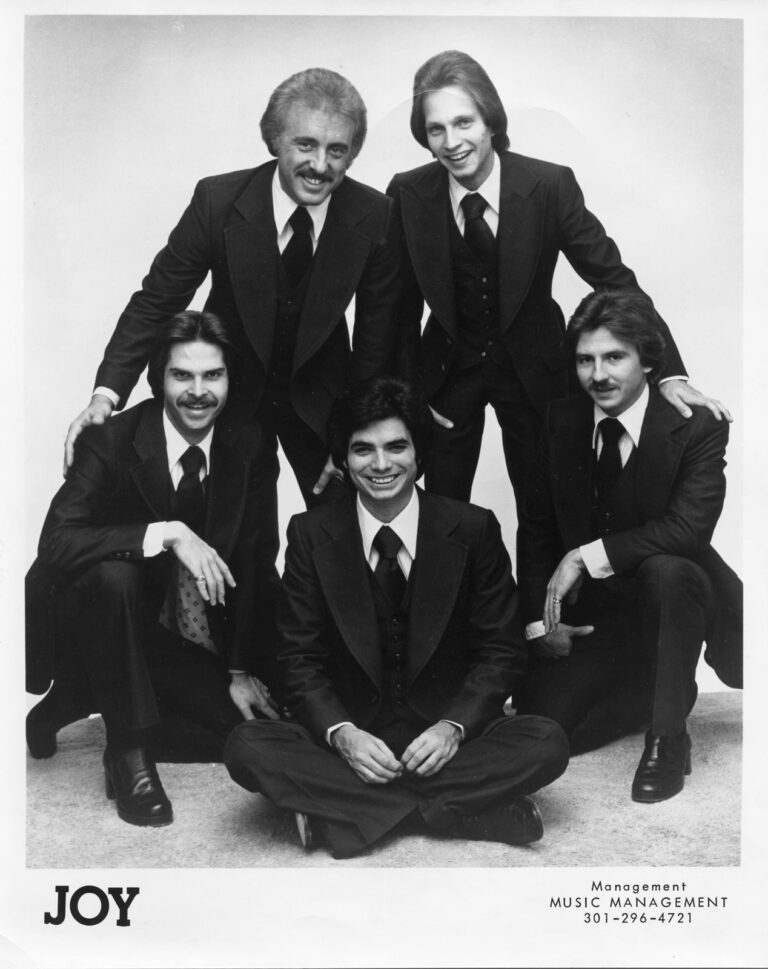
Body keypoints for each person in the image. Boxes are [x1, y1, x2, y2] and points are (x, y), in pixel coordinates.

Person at [224, 376, 568, 858]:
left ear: (419, 453)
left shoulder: (473, 528)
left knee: (546, 741)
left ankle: (346, 818)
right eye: (362, 449)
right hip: (353, 739)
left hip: (445, 738)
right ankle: (459, 812)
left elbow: (501, 652)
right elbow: (298, 658)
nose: (381, 464)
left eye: (396, 447)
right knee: (246, 746)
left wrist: (453, 727)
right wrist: (342, 735)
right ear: (343, 459)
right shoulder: (309, 533)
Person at [387, 50, 730, 520]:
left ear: (490, 120)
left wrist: (669, 372)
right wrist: (406, 395)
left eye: (464, 122)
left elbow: (615, 281)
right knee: (441, 517)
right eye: (436, 129)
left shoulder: (549, 185)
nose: (452, 142)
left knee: (545, 513)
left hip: (536, 374)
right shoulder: (407, 192)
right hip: (445, 379)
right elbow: (398, 309)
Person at [64, 67, 401, 506]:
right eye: (305, 145)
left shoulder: (375, 215)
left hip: (325, 405)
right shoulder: (217, 201)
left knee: (342, 527)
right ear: (275, 140)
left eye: (336, 150)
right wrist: (106, 395)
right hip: (228, 397)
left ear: (352, 154)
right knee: (227, 533)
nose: (320, 166)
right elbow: (157, 302)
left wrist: (356, 433)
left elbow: (376, 342)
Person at [26, 311, 283, 827]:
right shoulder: (112, 439)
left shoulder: (250, 443)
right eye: (181, 375)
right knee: (113, 574)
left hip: (179, 635)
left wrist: (240, 671)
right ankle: (129, 747)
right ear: (157, 378)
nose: (198, 392)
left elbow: (257, 559)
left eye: (213, 375)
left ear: (230, 379)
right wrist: (167, 532)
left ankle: (81, 697)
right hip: (100, 616)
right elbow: (54, 543)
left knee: (256, 731)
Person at [514, 289, 742, 803]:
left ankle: (668, 734)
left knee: (668, 568)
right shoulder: (561, 421)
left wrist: (584, 555)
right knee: (542, 724)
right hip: (602, 617)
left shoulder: (697, 425)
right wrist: (540, 624)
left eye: (615, 357)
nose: (599, 375)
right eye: (585, 360)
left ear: (649, 362)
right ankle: (655, 687)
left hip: (677, 598)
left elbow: (688, 530)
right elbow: (537, 529)